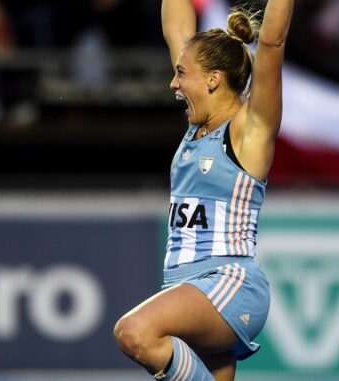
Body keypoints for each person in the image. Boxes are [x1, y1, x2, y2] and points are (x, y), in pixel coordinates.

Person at [113, 0, 293, 380]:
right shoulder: (198, 125)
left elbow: (272, 45)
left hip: (227, 282)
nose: (173, 83)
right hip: (185, 286)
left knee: (134, 332)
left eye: (181, 73)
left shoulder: (249, 128)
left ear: (212, 79)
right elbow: (175, 24)